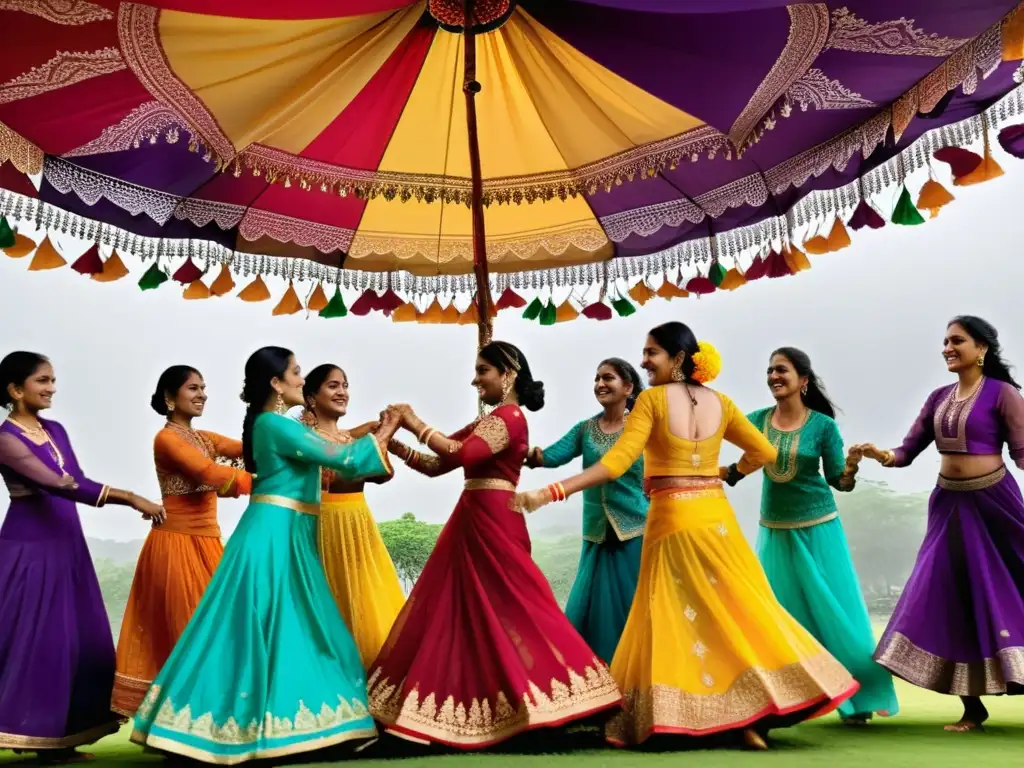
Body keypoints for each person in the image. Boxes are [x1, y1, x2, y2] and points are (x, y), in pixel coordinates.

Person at [512, 323, 858, 750]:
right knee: (736, 609)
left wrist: (551, 491)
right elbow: (765, 452)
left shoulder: (653, 400)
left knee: (675, 618)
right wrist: (728, 473)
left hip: (672, 517)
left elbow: (618, 463)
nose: (643, 361)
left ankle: (685, 716)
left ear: (677, 359)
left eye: (651, 352)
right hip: (716, 518)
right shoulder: (720, 401)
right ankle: (750, 715)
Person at [131, 347, 401, 764]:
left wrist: (374, 434)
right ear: (276, 383)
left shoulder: (273, 425)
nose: (301, 379)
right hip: (272, 536)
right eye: (295, 372)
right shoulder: (274, 424)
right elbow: (342, 457)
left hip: (289, 534)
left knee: (296, 632)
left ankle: (314, 727)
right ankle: (228, 728)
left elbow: (338, 456)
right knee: (281, 633)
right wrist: (388, 429)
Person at [367, 341, 622, 749]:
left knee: (519, 609)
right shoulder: (490, 419)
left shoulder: (510, 416)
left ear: (508, 373)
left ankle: (570, 696)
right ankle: (475, 706)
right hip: (471, 521)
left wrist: (412, 419)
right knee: (464, 615)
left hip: (495, 523)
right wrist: (392, 440)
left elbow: (462, 453)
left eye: (482, 370)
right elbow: (436, 465)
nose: (474, 379)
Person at [855, 316, 1024, 732]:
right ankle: (972, 708)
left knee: (1011, 588)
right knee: (951, 595)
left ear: (981, 347)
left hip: (995, 505)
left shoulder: (1004, 395)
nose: (947, 348)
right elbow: (907, 450)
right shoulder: (938, 398)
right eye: (945, 342)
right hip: (948, 506)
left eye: (957, 341)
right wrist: (881, 454)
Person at [0, 351, 164, 762]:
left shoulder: (54, 429)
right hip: (29, 549)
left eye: (53, 379)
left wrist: (91, 488)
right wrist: (129, 497)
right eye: (42, 381)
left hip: (66, 543)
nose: (52, 388)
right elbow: (59, 484)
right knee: (34, 642)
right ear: (16, 390)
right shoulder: (5, 439)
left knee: (75, 641)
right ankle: (25, 732)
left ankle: (59, 741)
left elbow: (78, 480)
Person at [735, 347, 897, 724]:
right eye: (770, 370)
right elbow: (716, 430)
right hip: (774, 532)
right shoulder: (756, 420)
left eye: (782, 370)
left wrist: (853, 467)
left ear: (803, 380)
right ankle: (788, 699)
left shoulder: (823, 426)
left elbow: (839, 482)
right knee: (778, 616)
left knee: (836, 615)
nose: (774, 376)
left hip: (819, 529)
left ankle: (860, 697)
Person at [112, 366, 252, 717]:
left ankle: (213, 722)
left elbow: (251, 449)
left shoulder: (205, 438)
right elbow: (208, 474)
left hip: (209, 546)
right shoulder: (167, 439)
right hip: (174, 546)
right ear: (169, 397)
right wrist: (261, 483)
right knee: (190, 635)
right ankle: (181, 726)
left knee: (223, 630)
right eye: (193, 388)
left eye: (204, 387)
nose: (202, 394)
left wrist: (272, 414)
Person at [525, 358, 647, 665]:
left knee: (634, 607)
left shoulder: (643, 427)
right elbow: (552, 456)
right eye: (597, 378)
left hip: (634, 530)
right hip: (596, 533)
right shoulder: (587, 429)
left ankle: (635, 670)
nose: (600, 384)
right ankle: (592, 675)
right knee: (589, 608)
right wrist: (522, 451)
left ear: (628, 387)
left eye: (609, 378)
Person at [300, 364, 405, 669]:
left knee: (366, 600)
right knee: (332, 604)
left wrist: (369, 436)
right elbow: (340, 470)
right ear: (310, 397)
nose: (342, 392)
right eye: (333, 386)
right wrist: (376, 434)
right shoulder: (306, 438)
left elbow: (384, 473)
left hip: (358, 526)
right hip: (324, 527)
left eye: (345, 385)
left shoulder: (351, 438)